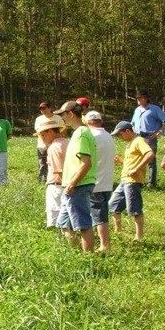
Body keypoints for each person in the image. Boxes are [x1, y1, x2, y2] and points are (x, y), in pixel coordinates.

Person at [52, 100, 98, 252]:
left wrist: (72, 183)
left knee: (83, 224)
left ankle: (88, 257)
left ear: (71, 114)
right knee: (64, 223)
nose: (62, 118)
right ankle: (76, 253)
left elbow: (86, 163)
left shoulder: (81, 134)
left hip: (78, 185)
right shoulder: (78, 133)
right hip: (72, 186)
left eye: (63, 115)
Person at [109, 121, 155, 241]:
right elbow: (133, 161)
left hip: (133, 181)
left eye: (120, 134)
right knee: (113, 205)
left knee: (135, 209)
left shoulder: (138, 140)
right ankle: (118, 232)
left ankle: (139, 237)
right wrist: (122, 161)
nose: (120, 137)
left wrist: (136, 168)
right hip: (124, 180)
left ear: (127, 131)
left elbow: (150, 154)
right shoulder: (130, 143)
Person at [83, 112, 116, 252]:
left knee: (98, 215)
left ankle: (104, 244)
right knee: (102, 213)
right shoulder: (108, 136)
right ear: (100, 121)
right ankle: (102, 241)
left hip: (95, 181)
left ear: (87, 122)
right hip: (107, 181)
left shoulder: (91, 136)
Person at [130, 90, 165, 187]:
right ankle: (138, 181)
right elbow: (132, 123)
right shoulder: (137, 110)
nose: (138, 100)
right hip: (138, 137)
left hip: (149, 137)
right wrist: (133, 131)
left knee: (150, 160)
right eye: (137, 98)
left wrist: (158, 132)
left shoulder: (154, 109)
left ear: (146, 98)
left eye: (140, 98)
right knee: (138, 159)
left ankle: (151, 183)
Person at [36, 117, 67, 229]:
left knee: (56, 220)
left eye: (43, 135)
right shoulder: (67, 143)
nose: (42, 138)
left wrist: (67, 187)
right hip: (69, 184)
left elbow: (58, 170)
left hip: (57, 186)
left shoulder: (54, 147)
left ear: (50, 131)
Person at [34, 102, 64, 183]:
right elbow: (39, 132)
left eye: (44, 108)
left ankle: (56, 180)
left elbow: (62, 131)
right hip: (42, 146)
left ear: (50, 108)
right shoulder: (39, 119)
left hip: (56, 145)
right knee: (42, 164)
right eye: (41, 109)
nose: (42, 110)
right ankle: (42, 181)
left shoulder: (58, 118)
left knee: (56, 163)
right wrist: (46, 144)